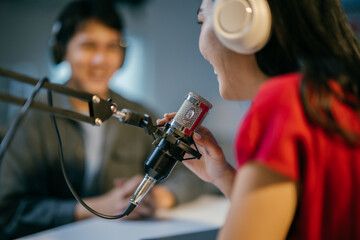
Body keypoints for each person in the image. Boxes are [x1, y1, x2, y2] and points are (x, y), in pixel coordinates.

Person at [0, 1, 216, 239]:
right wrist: (95, 208)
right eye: (88, 46)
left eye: (111, 47)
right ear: (62, 50)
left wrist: (158, 197)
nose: (100, 59)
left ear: (122, 55)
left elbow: (191, 177)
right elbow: (8, 212)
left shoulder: (137, 113)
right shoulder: (33, 117)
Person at [158, 0, 360, 239]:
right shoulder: (339, 99)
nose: (200, 45)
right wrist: (222, 177)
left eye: (202, 21)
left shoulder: (286, 102)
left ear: (237, 17)